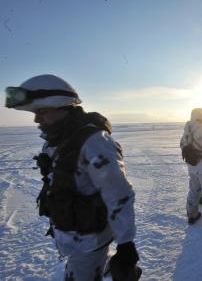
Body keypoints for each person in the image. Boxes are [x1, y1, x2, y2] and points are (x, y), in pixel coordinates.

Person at [5, 74, 141, 280]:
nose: (37, 119)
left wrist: (126, 244)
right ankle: (105, 265)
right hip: (73, 232)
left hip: (89, 238)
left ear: (61, 105)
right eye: (35, 112)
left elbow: (119, 195)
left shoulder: (94, 142)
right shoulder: (56, 141)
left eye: (42, 111)